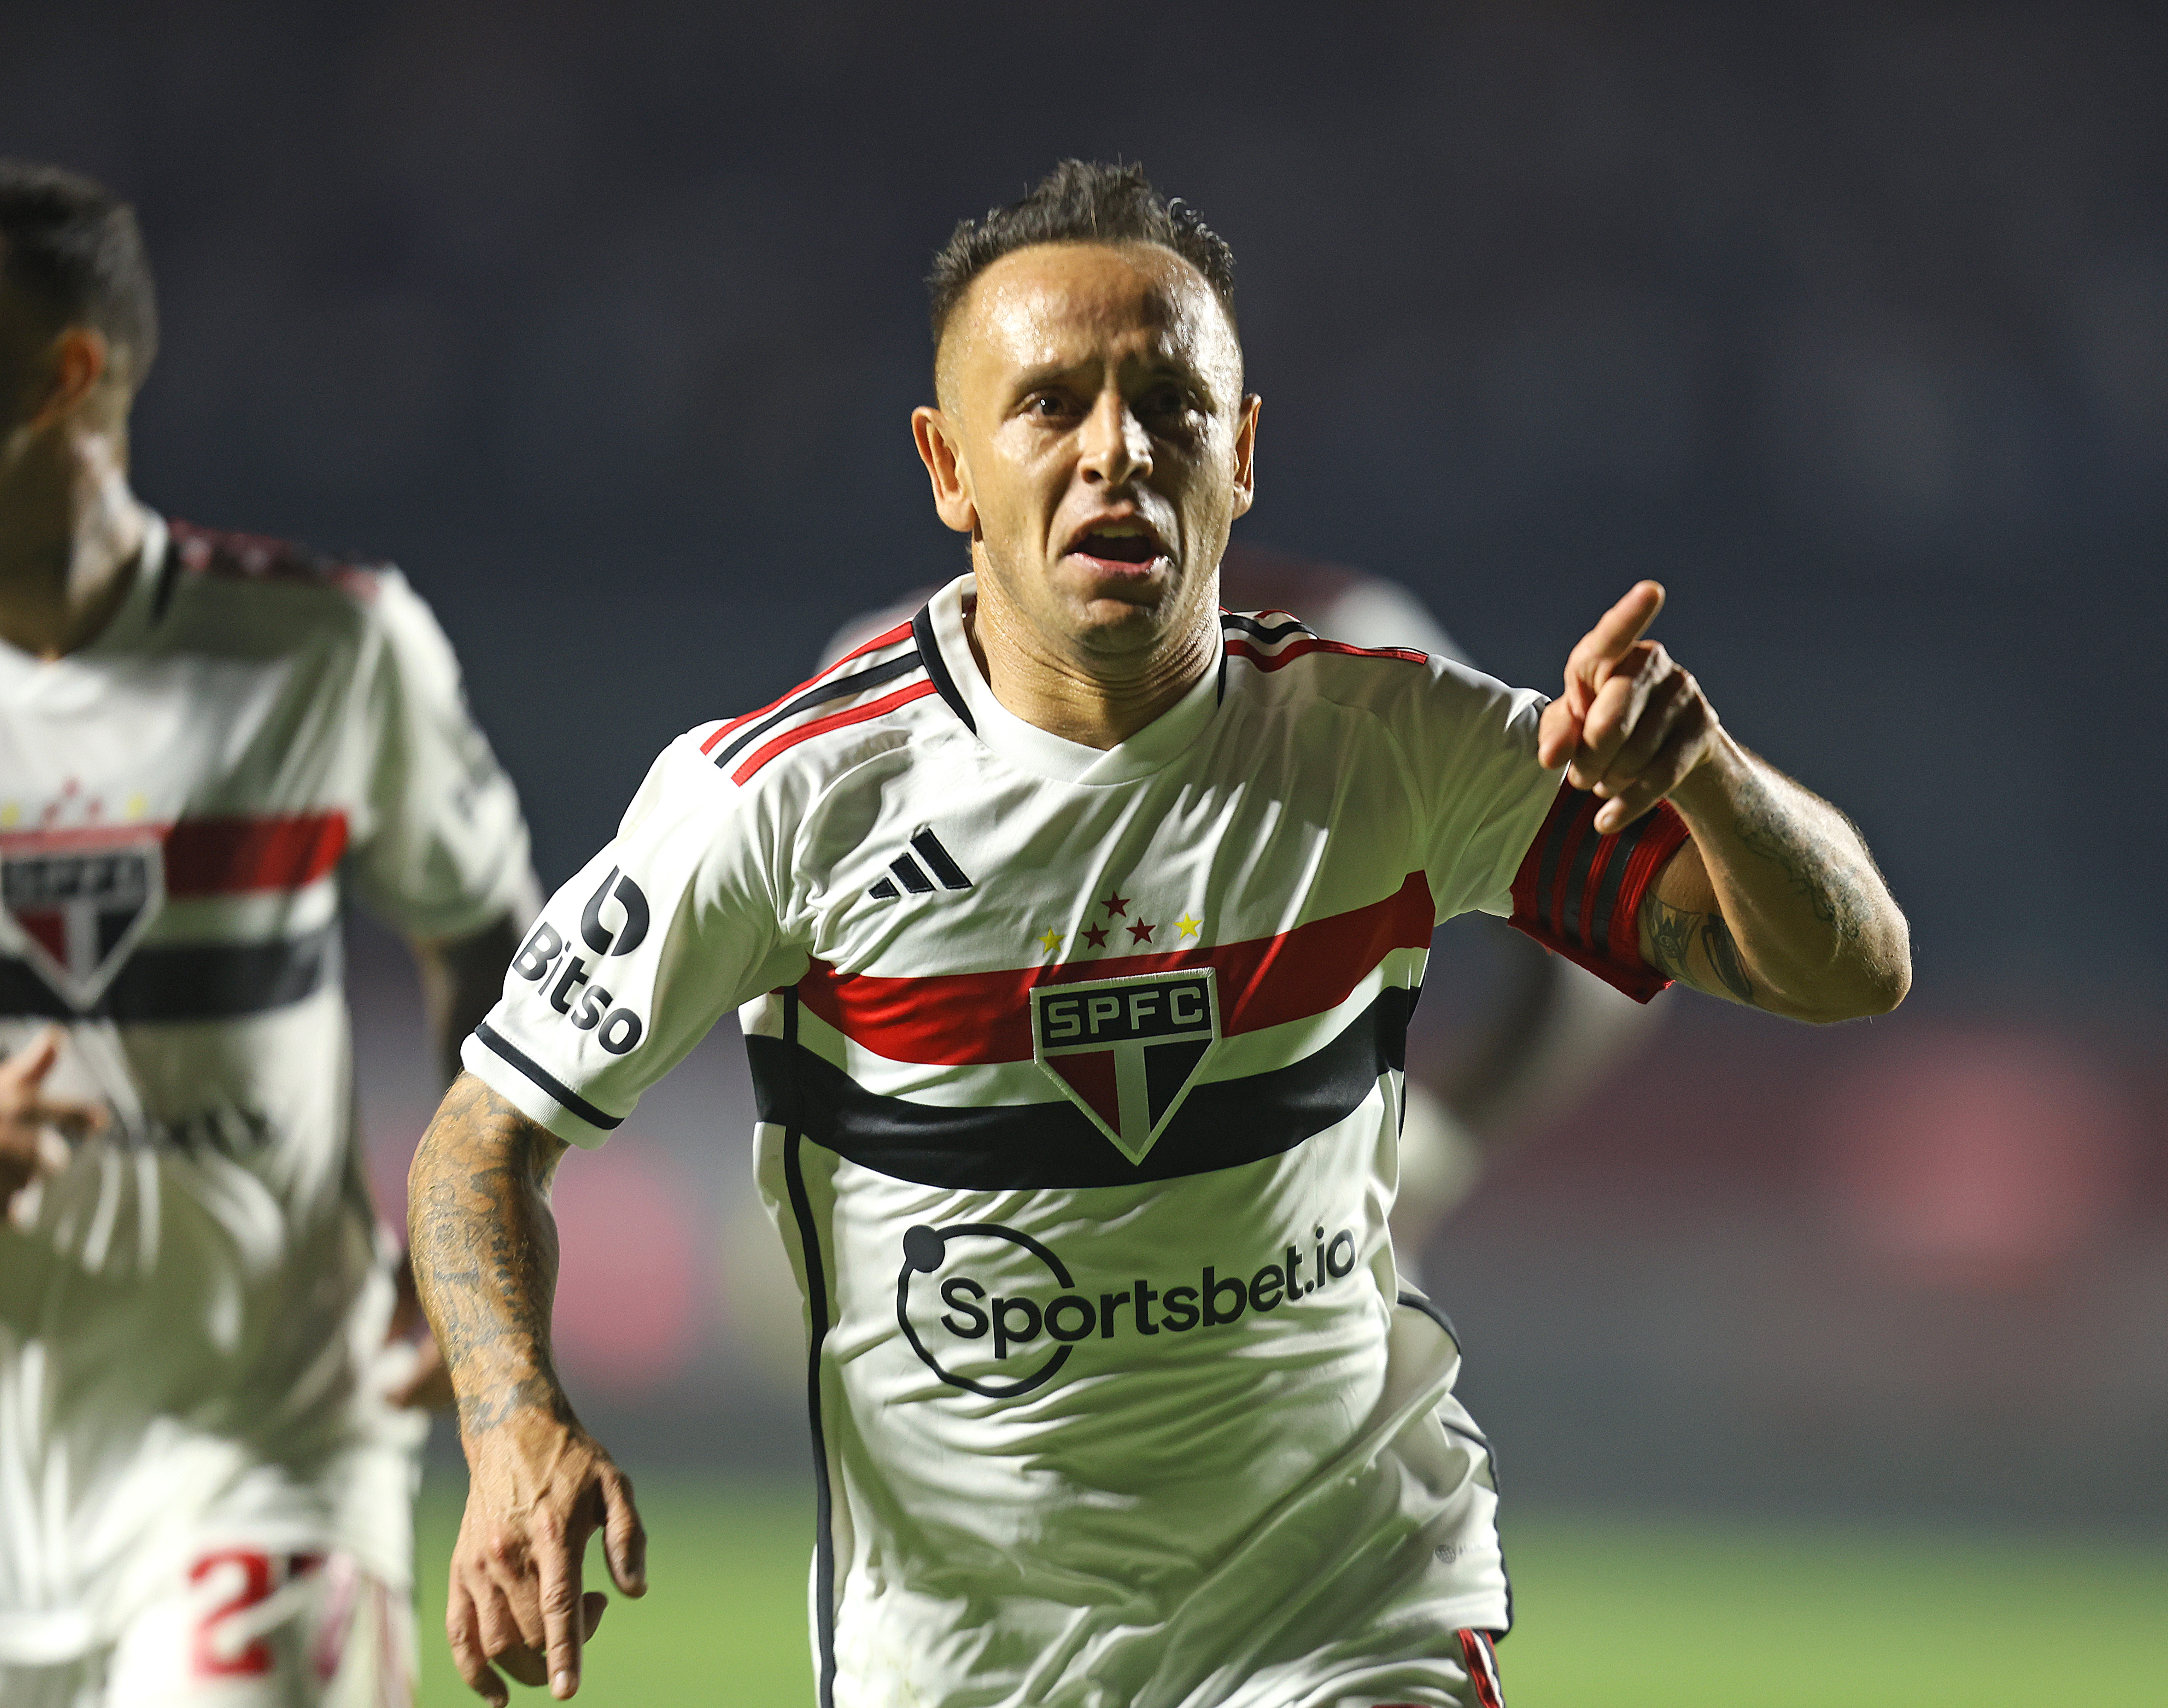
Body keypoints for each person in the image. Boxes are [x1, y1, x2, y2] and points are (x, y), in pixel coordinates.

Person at [413, 160, 1909, 1708]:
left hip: (1344, 1616)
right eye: (1049, 404)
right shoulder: (786, 801)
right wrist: (512, 1423)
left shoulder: (1386, 738)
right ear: (948, 466)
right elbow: (478, 1144)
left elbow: (1852, 967)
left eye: (1172, 408)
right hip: (961, 1659)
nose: (1116, 451)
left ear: (1242, 451)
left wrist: (1709, 782)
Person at [0, 161, 538, 1705]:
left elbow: (485, 927)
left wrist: (478, 1239)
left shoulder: (324, 649)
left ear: (67, 377)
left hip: (260, 1448)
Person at [817, 542, 1663, 1273]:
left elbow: (1607, 928)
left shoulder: (1352, 650)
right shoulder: (889, 678)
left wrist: (1426, 1153)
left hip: (1153, 1281)